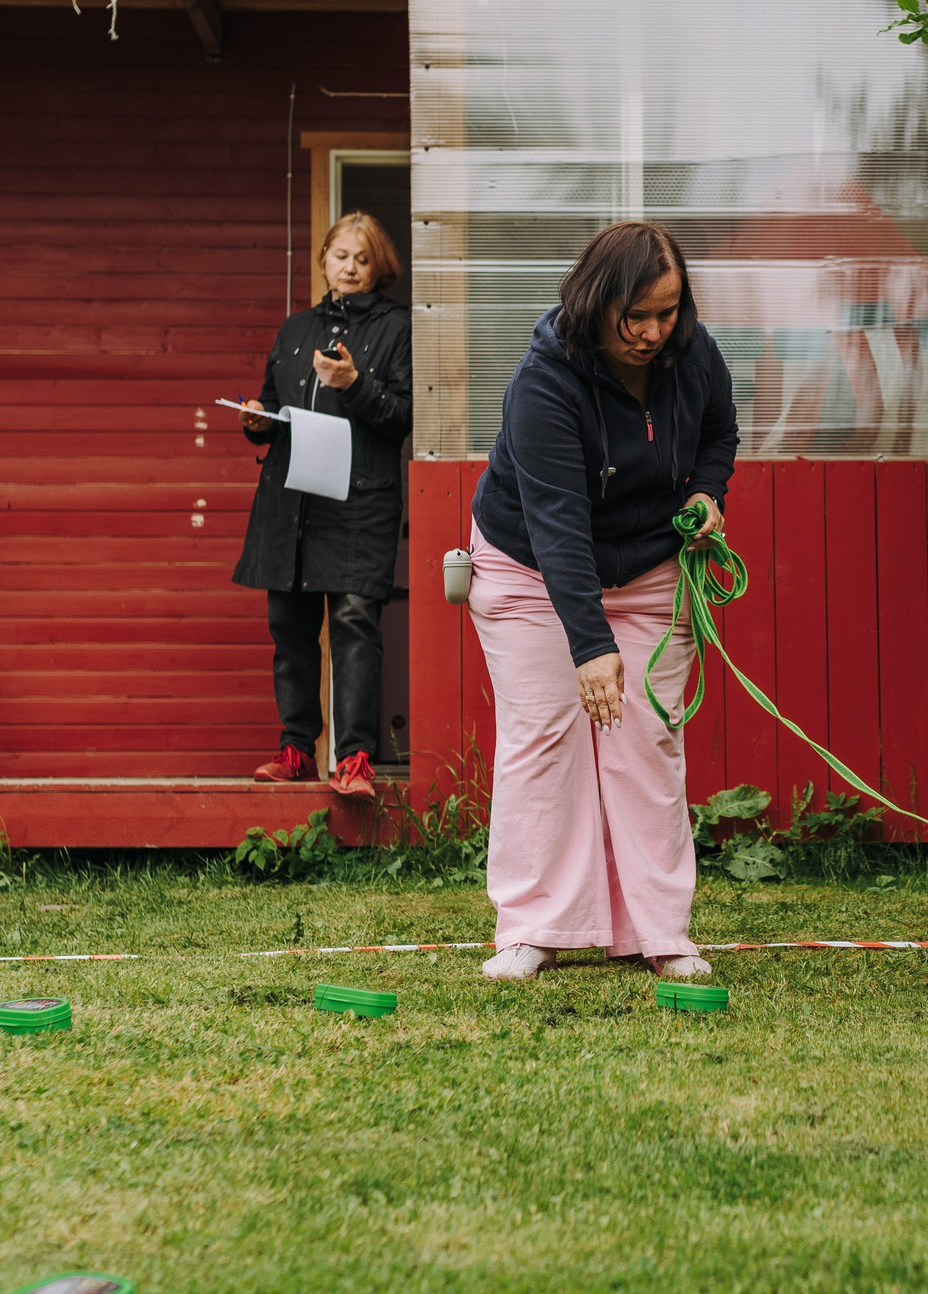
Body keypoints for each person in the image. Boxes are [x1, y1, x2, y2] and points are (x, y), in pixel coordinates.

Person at [467, 221, 740, 981]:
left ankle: (662, 930)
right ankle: (530, 925)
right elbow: (557, 525)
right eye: (638, 316)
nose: (656, 332)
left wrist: (707, 493)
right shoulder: (543, 383)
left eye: (669, 310)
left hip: (651, 567)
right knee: (543, 737)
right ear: (598, 302)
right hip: (532, 572)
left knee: (647, 740)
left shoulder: (692, 349)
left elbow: (720, 429)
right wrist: (589, 645)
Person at [235, 212, 412, 797]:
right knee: (289, 624)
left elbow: (405, 416)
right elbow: (270, 401)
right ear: (325, 260)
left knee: (355, 624)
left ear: (378, 267)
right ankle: (295, 750)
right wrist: (255, 422)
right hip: (292, 500)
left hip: (361, 501)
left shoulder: (397, 329)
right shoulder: (294, 330)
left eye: (362, 259)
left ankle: (355, 759)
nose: (350, 268)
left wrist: (354, 384)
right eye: (341, 256)